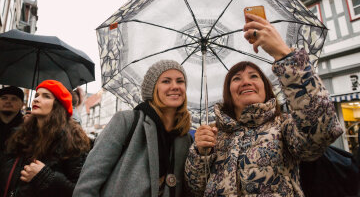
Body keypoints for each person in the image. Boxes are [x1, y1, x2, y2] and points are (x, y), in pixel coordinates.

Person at [184, 13, 344, 196]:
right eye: (236, 78)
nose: (246, 82)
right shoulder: (215, 134)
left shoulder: (284, 126)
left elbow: (322, 130)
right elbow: (195, 187)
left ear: (266, 88)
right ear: (229, 92)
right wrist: (200, 153)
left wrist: (283, 55)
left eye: (254, 76)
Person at [73, 60, 193, 197]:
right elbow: (89, 182)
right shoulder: (126, 121)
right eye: (166, 81)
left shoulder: (185, 139)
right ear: (153, 89)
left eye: (180, 81)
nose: (175, 86)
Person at [0, 80, 90, 197]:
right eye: (37, 95)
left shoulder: (72, 140)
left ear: (58, 105)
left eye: (46, 96)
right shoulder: (21, 134)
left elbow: (80, 190)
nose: (37, 99)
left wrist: (45, 176)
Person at [0, 86, 24, 153]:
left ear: (22, 104)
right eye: (4, 98)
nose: (8, 101)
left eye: (14, 99)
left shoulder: (27, 129)